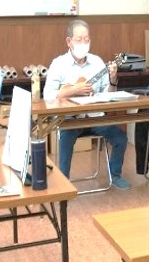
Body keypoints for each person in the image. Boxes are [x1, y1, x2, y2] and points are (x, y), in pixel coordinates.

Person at [43, 19, 131, 190]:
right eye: (79, 39)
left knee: (120, 138)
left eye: (87, 39)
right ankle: (64, 184)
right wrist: (73, 90)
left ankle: (115, 175)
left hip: (94, 117)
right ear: (69, 41)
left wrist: (113, 79)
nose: (83, 43)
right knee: (65, 141)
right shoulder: (58, 64)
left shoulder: (97, 62)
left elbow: (108, 96)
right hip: (69, 119)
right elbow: (48, 96)